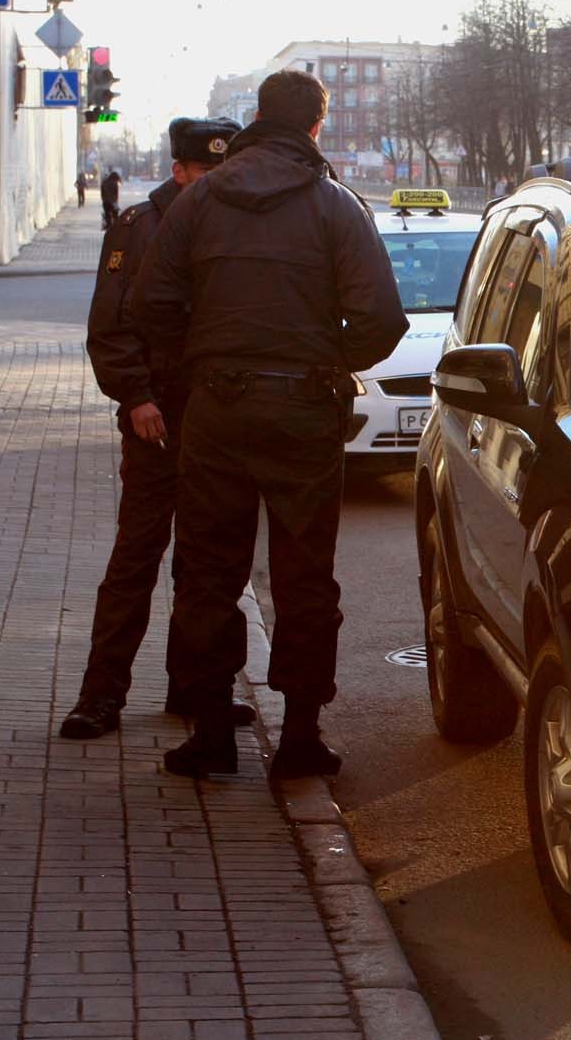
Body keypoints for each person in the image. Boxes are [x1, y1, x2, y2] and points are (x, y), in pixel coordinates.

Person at [133, 69, 406, 779]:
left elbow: (151, 301)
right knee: (305, 576)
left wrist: (199, 362)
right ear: (317, 126)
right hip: (305, 412)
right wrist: (323, 361)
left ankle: (212, 733)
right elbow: (381, 319)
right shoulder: (335, 206)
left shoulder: (202, 201)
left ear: (257, 118)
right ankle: (302, 737)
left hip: (217, 411)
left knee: (207, 572)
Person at [61, 118, 246, 740]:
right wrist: (136, 397)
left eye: (225, 172)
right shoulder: (138, 229)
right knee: (136, 558)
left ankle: (193, 688)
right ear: (180, 171)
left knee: (206, 564)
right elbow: (109, 328)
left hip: (216, 422)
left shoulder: (235, 227)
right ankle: (101, 695)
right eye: (206, 172)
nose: (216, 183)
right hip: (156, 421)